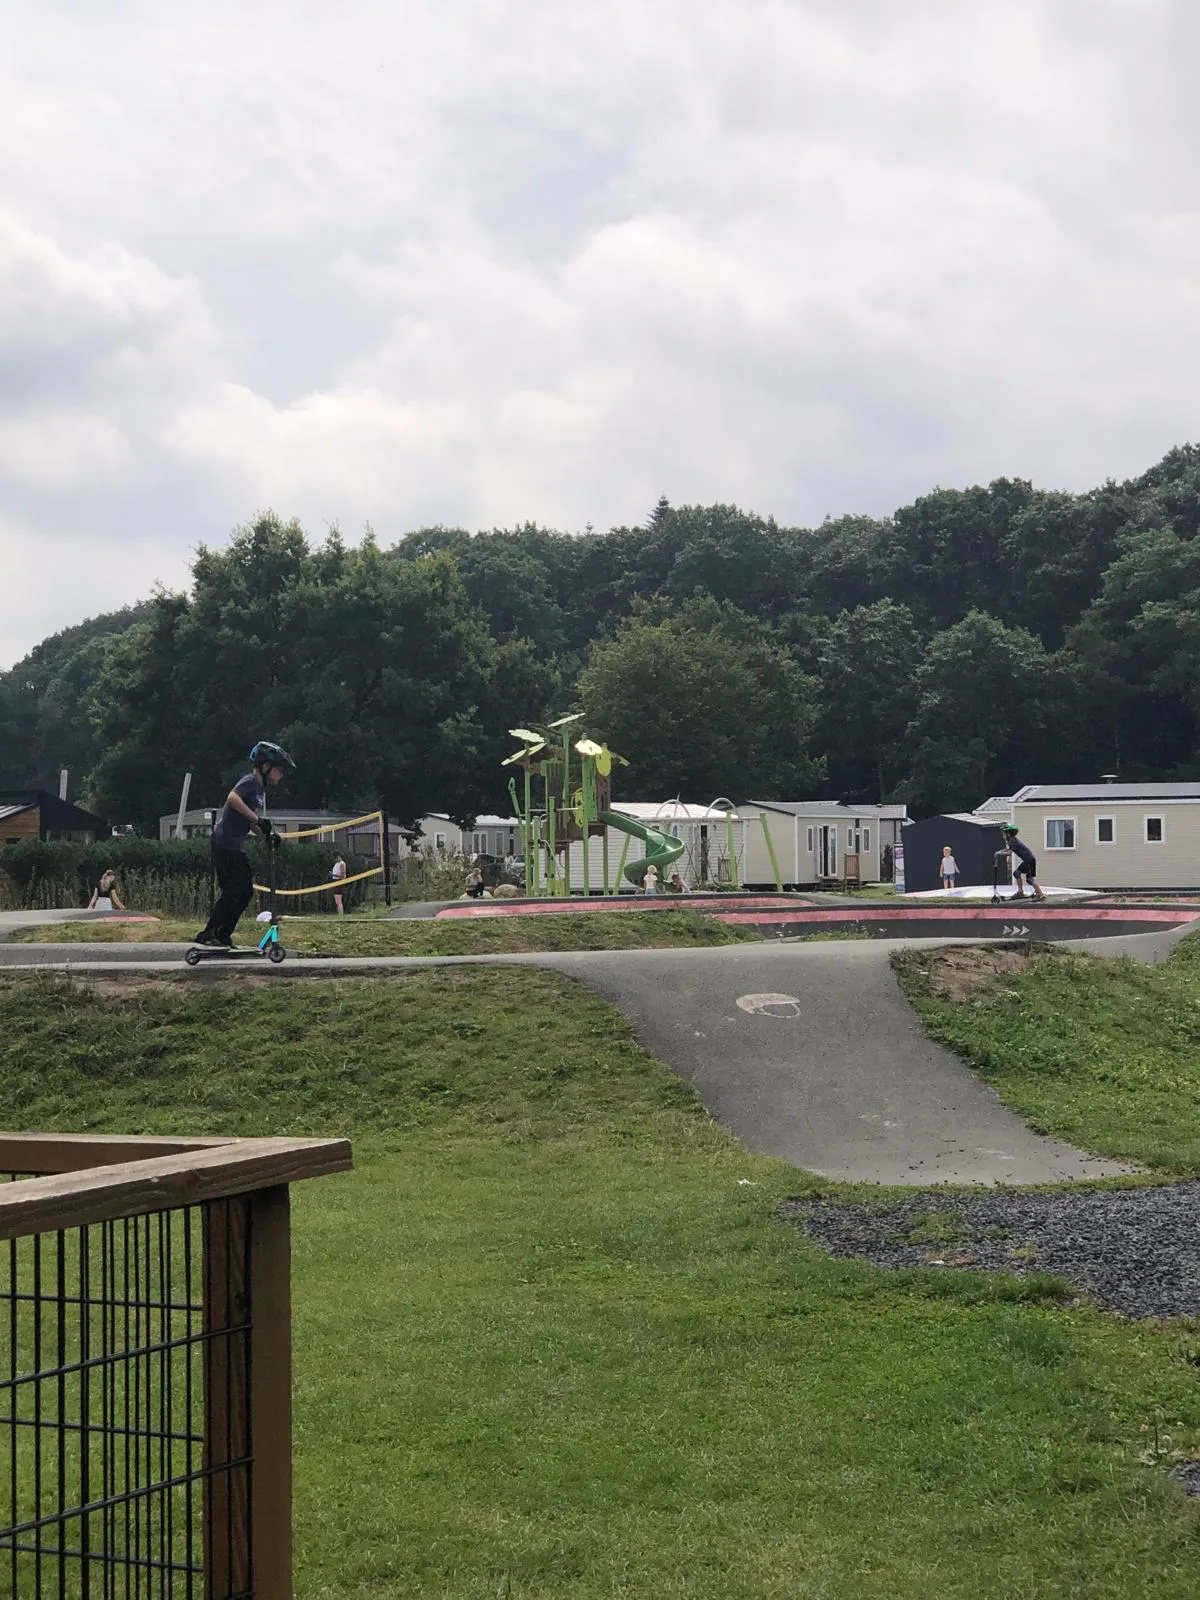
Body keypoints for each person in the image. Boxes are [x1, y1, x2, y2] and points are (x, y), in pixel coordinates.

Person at [193, 741, 294, 948]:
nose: (281, 775)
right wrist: (257, 820)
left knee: (244, 890)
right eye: (279, 769)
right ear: (265, 767)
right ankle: (209, 933)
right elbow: (232, 799)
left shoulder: (258, 791)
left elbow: (249, 820)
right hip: (224, 842)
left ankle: (223, 934)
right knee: (234, 890)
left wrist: (266, 835)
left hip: (233, 844)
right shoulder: (249, 782)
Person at [1000, 823, 1045, 901]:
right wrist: (1001, 851)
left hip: (1029, 860)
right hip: (1027, 859)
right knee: (1016, 873)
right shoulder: (1012, 840)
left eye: (1004, 834)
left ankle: (1041, 894)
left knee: (1029, 879)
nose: (1003, 836)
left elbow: (1009, 853)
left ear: (1008, 834)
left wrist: (999, 854)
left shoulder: (1012, 841)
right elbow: (1009, 850)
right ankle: (1020, 892)